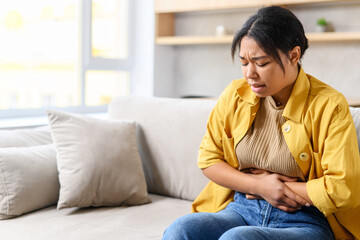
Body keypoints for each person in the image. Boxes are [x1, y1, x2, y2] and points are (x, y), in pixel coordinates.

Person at [162, 6, 360, 240]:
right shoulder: (235, 94)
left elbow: (343, 189)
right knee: (181, 229)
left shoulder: (329, 105)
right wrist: (258, 186)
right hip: (242, 209)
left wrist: (276, 189)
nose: (249, 74)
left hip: (306, 219)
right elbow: (208, 159)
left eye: (261, 63)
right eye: (244, 62)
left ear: (294, 55)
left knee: (238, 238)